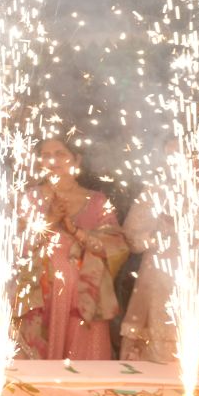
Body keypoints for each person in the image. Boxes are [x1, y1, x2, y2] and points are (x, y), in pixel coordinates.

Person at [17, 136, 127, 361]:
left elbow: (117, 246)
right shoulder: (30, 198)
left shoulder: (97, 201)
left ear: (76, 159)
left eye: (60, 154)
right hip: (41, 296)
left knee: (83, 365)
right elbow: (17, 246)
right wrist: (49, 219)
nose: (53, 161)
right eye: (46, 155)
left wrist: (76, 231)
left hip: (85, 297)